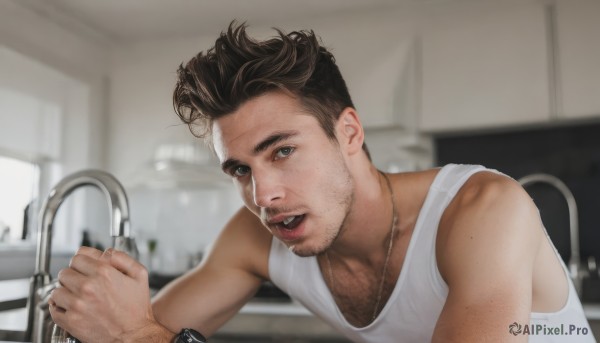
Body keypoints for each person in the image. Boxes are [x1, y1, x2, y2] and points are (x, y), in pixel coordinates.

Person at [48, 22, 594, 343]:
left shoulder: (483, 211)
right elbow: (137, 328)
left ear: (349, 132)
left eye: (282, 151)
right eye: (240, 169)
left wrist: (143, 338)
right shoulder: (256, 234)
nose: (264, 197)